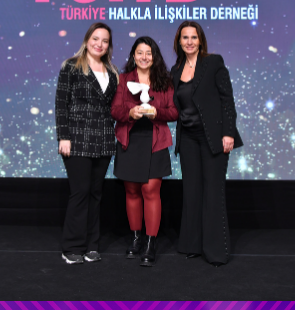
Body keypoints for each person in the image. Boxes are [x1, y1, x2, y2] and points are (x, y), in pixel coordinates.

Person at [170, 20, 243, 267]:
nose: (189, 41)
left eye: (194, 37)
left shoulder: (213, 63)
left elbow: (227, 100)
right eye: (185, 37)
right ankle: (192, 245)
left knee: (213, 192)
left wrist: (228, 133)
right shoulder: (175, 70)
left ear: (200, 40)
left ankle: (216, 252)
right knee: (192, 192)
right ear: (179, 41)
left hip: (213, 137)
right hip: (188, 138)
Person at [55, 22, 119, 265]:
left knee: (95, 194)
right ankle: (72, 247)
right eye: (95, 38)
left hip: (103, 139)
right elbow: (61, 103)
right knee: (80, 192)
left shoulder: (112, 71)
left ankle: (92, 246)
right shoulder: (71, 66)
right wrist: (63, 136)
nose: (99, 44)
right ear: (87, 40)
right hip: (77, 138)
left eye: (104, 40)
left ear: (108, 45)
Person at [111, 36, 178, 267]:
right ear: (133, 55)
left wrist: (156, 112)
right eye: (140, 52)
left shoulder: (164, 81)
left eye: (148, 53)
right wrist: (131, 112)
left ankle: (151, 243)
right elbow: (115, 110)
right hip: (130, 139)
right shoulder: (123, 80)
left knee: (151, 190)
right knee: (132, 191)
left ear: (154, 56)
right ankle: (136, 238)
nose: (144, 57)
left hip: (155, 140)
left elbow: (173, 112)